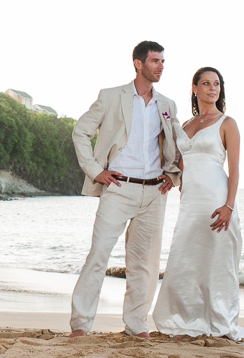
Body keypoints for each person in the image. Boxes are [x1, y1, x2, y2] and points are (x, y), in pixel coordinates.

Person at [69, 41, 182, 339]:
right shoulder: (110, 97)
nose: (160, 66)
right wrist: (96, 171)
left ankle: (136, 325)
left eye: (162, 61)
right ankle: (81, 324)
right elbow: (80, 131)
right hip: (118, 188)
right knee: (98, 256)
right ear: (138, 63)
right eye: (155, 61)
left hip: (155, 192)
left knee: (145, 265)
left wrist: (175, 176)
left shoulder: (167, 105)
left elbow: (179, 143)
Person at [153, 67, 244, 341]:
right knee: (186, 260)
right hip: (190, 201)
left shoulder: (227, 123)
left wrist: (229, 205)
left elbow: (235, 169)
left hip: (217, 199)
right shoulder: (185, 126)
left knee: (219, 263)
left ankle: (222, 324)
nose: (212, 88)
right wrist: (171, 178)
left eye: (217, 84)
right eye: (206, 83)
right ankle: (186, 322)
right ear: (195, 88)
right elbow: (181, 167)